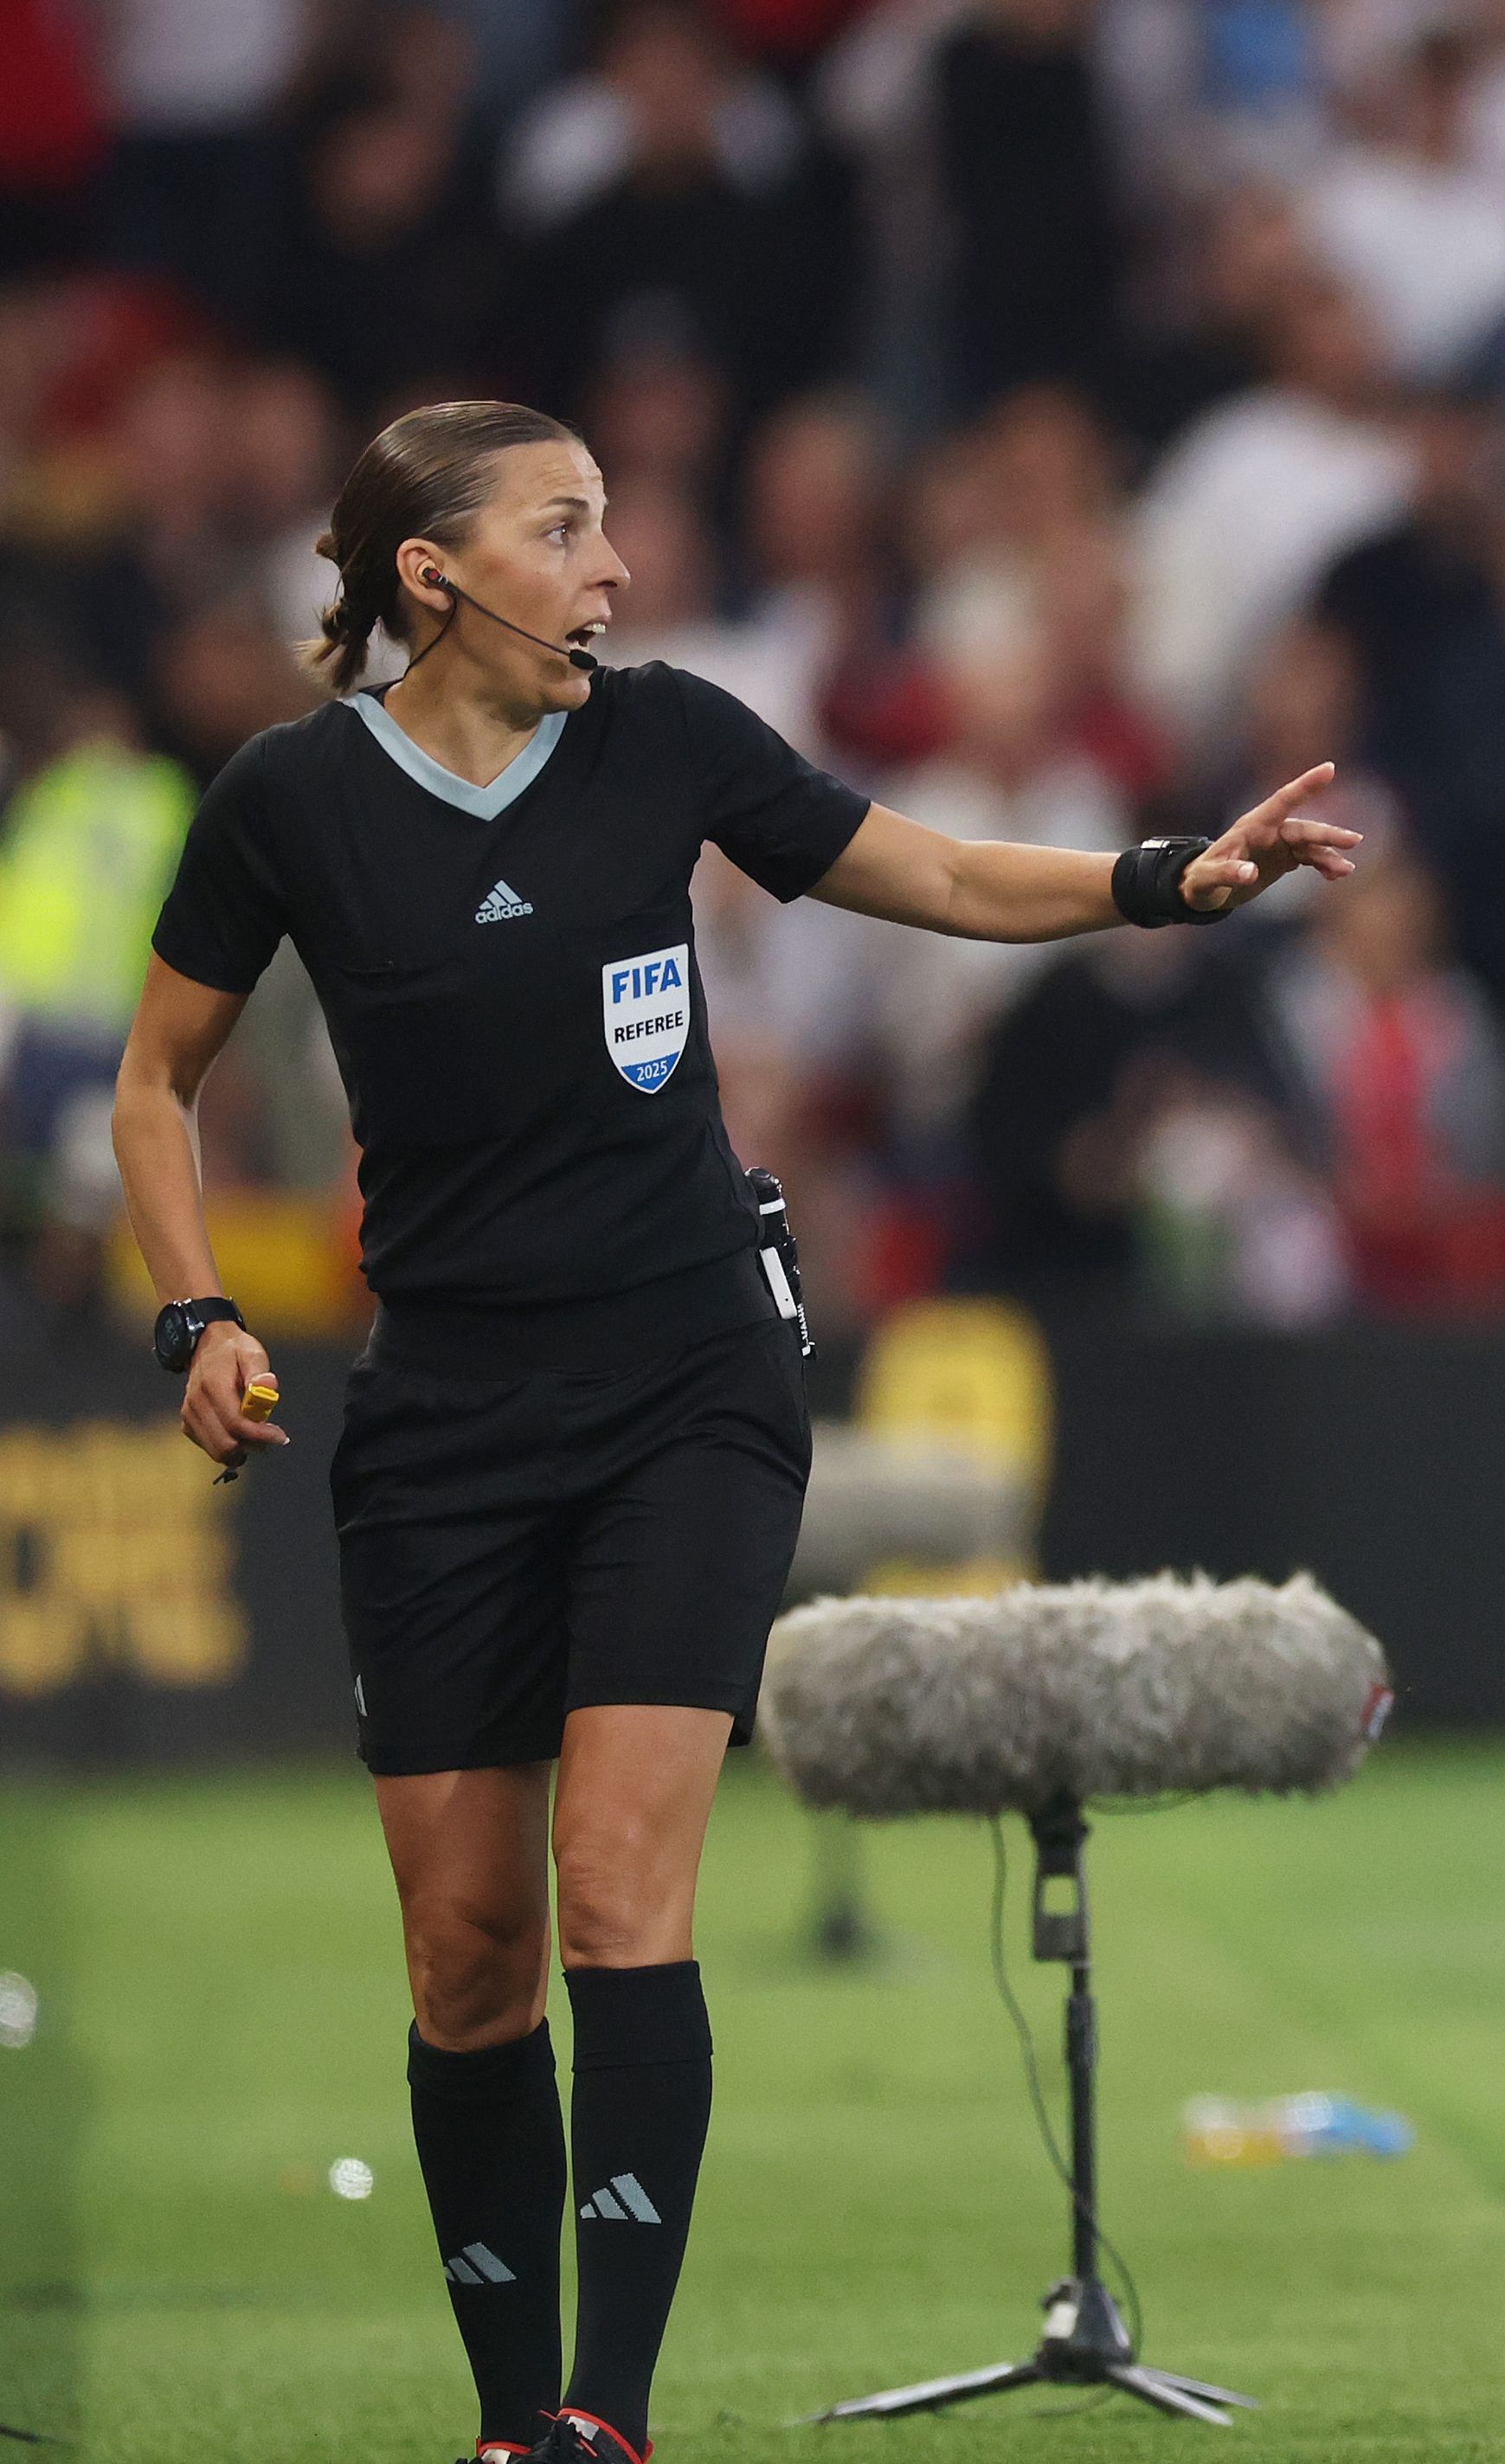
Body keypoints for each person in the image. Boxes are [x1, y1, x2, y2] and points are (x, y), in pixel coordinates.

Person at [106, 401, 1355, 2464]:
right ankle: (514, 2418)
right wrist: (195, 1304)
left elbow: (935, 867)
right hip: (441, 1415)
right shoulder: (287, 802)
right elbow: (158, 1080)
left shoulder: (672, 734)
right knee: (465, 1947)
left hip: (689, 1378)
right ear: (433, 569)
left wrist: (1163, 875)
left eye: (613, 527)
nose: (613, 567)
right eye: (568, 527)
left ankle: (608, 2410)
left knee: (618, 1892)